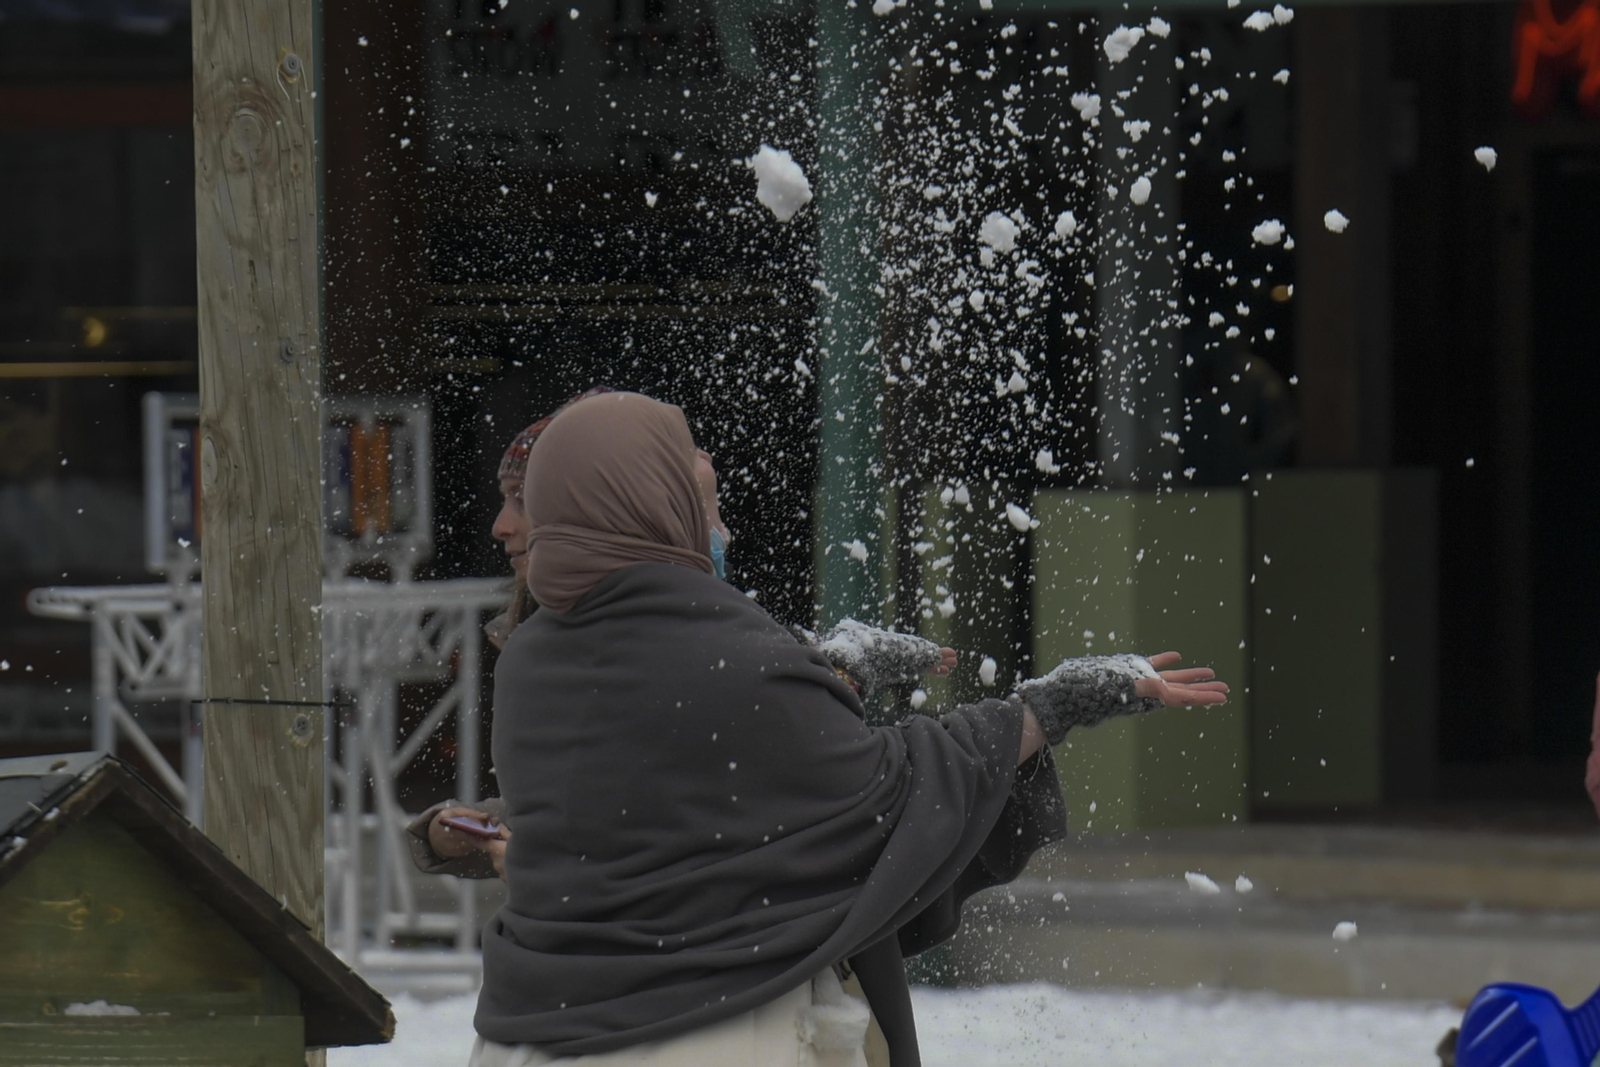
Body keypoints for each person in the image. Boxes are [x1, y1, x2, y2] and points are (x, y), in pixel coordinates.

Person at [468, 391, 1226, 1067]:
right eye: (701, 504)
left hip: (532, 1035)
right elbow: (882, 801)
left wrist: (822, 678)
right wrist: (1049, 706)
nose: (719, 527)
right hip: (708, 1034)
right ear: (646, 504)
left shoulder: (532, 663)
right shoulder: (727, 658)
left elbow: (671, 795)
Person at [408, 389, 958, 880]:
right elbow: (623, 806)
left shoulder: (662, 639)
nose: (501, 525)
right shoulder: (547, 648)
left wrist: (833, 672)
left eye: (522, 500)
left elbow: (683, 799)